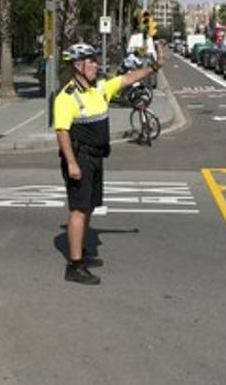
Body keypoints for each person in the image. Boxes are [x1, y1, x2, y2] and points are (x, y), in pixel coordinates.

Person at [55, 42, 161, 285]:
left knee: (90, 206)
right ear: (78, 66)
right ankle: (74, 266)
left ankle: (80, 253)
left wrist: (154, 67)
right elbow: (62, 133)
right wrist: (72, 164)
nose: (96, 65)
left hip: (96, 157)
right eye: (90, 61)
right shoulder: (67, 97)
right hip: (80, 159)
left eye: (94, 60)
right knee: (79, 209)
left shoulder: (99, 89)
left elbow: (128, 78)